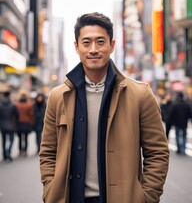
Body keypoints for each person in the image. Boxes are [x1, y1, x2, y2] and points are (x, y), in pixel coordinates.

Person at [39, 12, 169, 203]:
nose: (93, 49)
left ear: (112, 45)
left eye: (100, 42)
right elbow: (48, 152)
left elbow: (157, 152)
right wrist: (51, 189)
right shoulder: (58, 97)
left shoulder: (140, 94)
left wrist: (146, 197)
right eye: (86, 42)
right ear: (76, 47)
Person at [0, 91, 19, 161]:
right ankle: (8, 151)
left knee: (4, 140)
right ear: (9, 95)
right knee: (11, 140)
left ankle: (4, 154)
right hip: (11, 124)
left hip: (2, 125)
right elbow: (17, 115)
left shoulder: (0, 104)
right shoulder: (12, 105)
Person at [16, 91, 34, 156]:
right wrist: (32, 122)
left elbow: (15, 115)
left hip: (19, 122)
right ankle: (25, 151)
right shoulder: (29, 104)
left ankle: (20, 150)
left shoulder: (17, 104)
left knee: (20, 138)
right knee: (26, 138)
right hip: (27, 122)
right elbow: (31, 114)